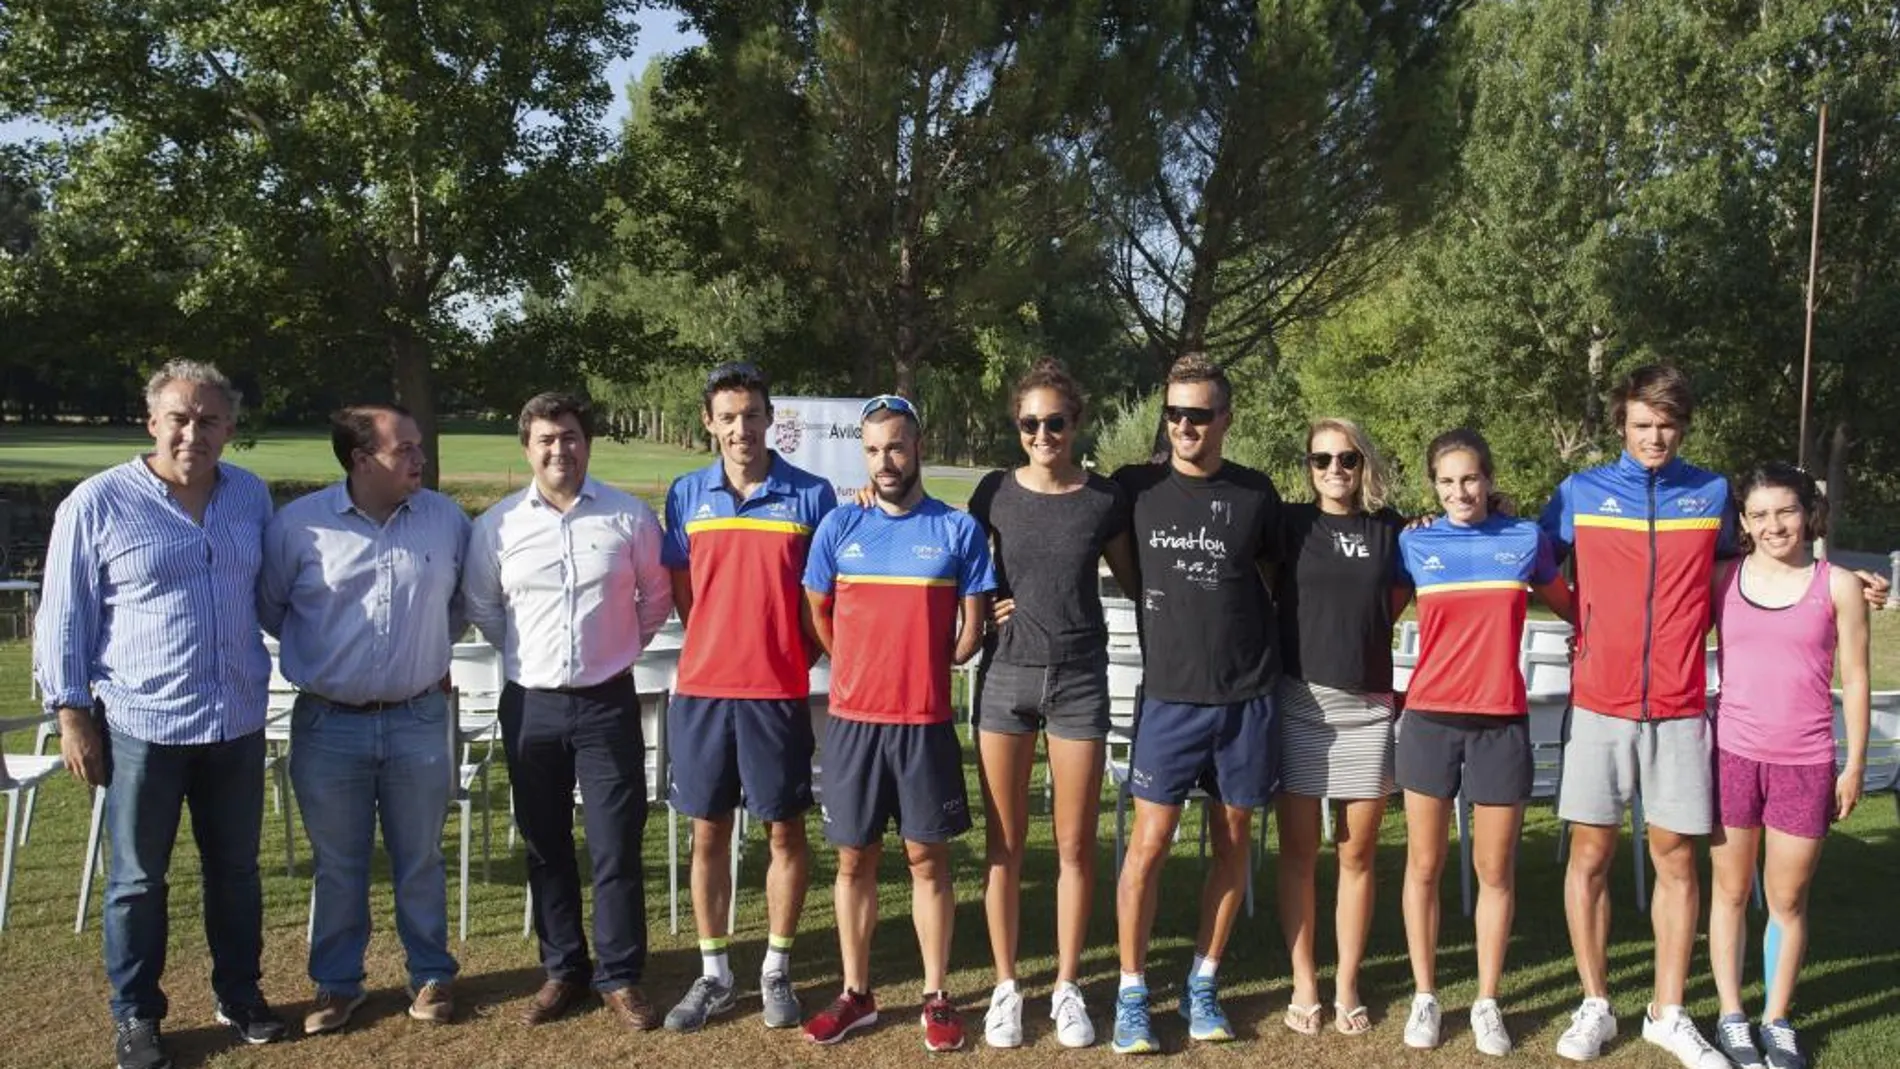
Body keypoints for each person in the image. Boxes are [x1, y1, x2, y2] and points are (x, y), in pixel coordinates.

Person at [34, 360, 287, 1069]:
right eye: (179, 417)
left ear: (230, 429)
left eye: (209, 420)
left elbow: (271, 595)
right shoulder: (98, 503)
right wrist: (72, 713)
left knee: (235, 871)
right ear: (152, 421)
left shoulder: (250, 498)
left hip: (235, 719)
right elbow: (64, 617)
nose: (193, 432)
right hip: (144, 725)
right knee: (138, 880)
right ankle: (137, 1015)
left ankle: (240, 995)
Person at [1539, 365, 1736, 1068]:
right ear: (1621, 423)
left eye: (1668, 424)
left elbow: (1747, 575)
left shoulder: (1713, 492)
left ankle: (1668, 1010)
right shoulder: (1581, 490)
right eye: (1643, 424)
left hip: (1681, 706)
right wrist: (1579, 617)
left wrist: (1843, 579)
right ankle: (1595, 1000)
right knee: (1589, 855)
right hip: (1599, 704)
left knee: (1677, 859)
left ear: (1683, 427)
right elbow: (1530, 559)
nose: (1655, 436)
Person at [461, 391, 674, 1030]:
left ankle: (619, 973)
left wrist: (613, 653)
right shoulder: (496, 525)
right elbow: (484, 607)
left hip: (609, 702)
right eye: (548, 439)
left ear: (588, 442)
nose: (561, 449)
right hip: (531, 705)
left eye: (572, 436)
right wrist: (536, 659)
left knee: (615, 844)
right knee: (545, 843)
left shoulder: (628, 517)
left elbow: (655, 598)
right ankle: (564, 969)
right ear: (527, 448)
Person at [257, 404, 470, 1034]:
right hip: (329, 725)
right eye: (403, 448)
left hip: (418, 718)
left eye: (419, 447)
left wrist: (419, 655)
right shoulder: (298, 527)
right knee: (339, 862)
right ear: (360, 459)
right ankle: (337, 983)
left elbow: (457, 608)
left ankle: (431, 973)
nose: (419, 458)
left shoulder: (447, 520)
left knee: (420, 857)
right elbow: (274, 610)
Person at [799, 395, 995, 1050]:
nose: (886, 460)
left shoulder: (956, 529)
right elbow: (819, 616)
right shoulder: (837, 526)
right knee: (853, 858)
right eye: (875, 449)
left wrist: (946, 657)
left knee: (926, 858)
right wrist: (856, 667)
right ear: (866, 454)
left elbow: (972, 627)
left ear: (918, 446)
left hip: (924, 721)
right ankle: (856, 993)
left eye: (897, 446)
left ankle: (936, 995)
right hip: (853, 722)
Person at [1109, 353, 1283, 1056]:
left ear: (1225, 418)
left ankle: (1202, 980)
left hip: (1246, 698)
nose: (1184, 425)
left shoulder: (1256, 493)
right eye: (1174, 412)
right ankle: (1130, 992)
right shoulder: (1136, 488)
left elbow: (1272, 575)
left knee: (1233, 842)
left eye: (1199, 413)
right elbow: (1072, 517)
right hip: (1170, 700)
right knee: (1147, 847)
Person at [659, 362, 836, 1032]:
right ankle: (715, 973)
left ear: (770, 418)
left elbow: (823, 602)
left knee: (784, 829)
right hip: (702, 694)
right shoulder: (684, 494)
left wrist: (790, 656)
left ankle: (775, 967)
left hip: (777, 695)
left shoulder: (812, 494)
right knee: (709, 830)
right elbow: (685, 595)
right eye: (728, 416)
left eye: (752, 414)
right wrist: (718, 646)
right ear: (709, 422)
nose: (741, 427)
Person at [966, 359, 1138, 1049]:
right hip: (1005, 678)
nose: (1043, 434)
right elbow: (959, 565)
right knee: (1003, 845)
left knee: (1073, 845)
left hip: (1078, 680)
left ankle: (1067, 985)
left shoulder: (1103, 499)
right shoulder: (993, 493)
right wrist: (979, 607)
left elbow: (1136, 576)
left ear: (1076, 423)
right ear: (1018, 425)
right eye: (1030, 422)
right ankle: (1008, 986)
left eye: (1055, 422)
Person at [1394, 429, 1575, 1057]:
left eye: (1469, 479)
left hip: (1501, 723)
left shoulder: (1526, 539)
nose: (1459, 491)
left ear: (1489, 479)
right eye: (1446, 481)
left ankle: (1487, 1001)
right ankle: (1425, 996)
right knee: (1424, 865)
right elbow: (1369, 613)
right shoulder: (1413, 542)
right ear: (1433, 486)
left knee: (1494, 870)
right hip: (1429, 721)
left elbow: (1578, 607)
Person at [1705, 464, 1869, 1069]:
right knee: (1728, 890)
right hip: (1732, 755)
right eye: (1761, 514)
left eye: (1787, 511)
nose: (1775, 525)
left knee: (1788, 897)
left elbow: (1854, 676)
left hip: (1804, 761)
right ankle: (1731, 1015)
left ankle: (1776, 1019)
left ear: (1808, 513)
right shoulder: (1722, 578)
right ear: (1743, 522)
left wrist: (1851, 764)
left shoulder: (1841, 586)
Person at [1271, 418, 1408, 1040]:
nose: (1334, 470)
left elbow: (1404, 595)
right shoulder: (1290, 526)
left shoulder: (1395, 531)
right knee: (1299, 852)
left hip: (1369, 707)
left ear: (1363, 463)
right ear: (1308, 466)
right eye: (1321, 460)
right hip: (1301, 701)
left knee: (1356, 852)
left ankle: (1347, 981)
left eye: (1346, 459)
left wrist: (1500, 506)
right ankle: (1305, 980)